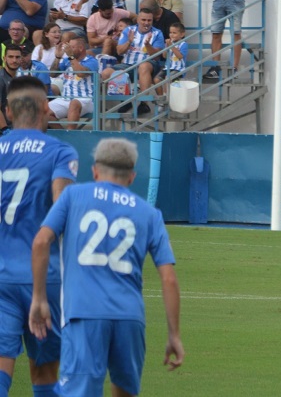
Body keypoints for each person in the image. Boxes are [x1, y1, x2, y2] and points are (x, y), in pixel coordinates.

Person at [29, 138, 183, 397]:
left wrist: (39, 297)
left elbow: (42, 241)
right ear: (132, 177)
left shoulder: (73, 196)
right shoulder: (149, 213)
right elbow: (168, 279)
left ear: (95, 170)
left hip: (84, 314)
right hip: (130, 318)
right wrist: (174, 334)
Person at [0, 75, 78, 397]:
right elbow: (63, 211)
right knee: (45, 372)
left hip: (1, 277)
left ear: (7, 111)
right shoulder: (60, 152)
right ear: (46, 108)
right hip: (44, 279)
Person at [117, 8, 165, 115]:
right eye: (143, 20)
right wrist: (129, 42)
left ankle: (144, 103)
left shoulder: (157, 33)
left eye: (149, 20)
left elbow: (157, 57)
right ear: (138, 19)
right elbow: (119, 51)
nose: (146, 23)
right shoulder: (128, 31)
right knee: (107, 73)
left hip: (150, 65)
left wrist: (148, 45)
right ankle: (126, 101)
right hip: (128, 64)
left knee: (143, 66)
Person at [48, 37, 99, 129]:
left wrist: (71, 56)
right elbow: (53, 74)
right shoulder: (67, 61)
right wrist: (58, 57)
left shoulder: (92, 61)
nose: (68, 50)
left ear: (81, 48)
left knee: (74, 103)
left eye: (72, 47)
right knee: (42, 111)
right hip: (66, 98)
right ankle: (65, 136)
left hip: (85, 99)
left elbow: (81, 73)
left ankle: (71, 132)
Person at [156, 23, 189, 97]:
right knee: (156, 79)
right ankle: (162, 97)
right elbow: (164, 56)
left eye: (174, 33)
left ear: (182, 34)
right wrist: (167, 47)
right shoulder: (168, 44)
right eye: (170, 32)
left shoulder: (183, 44)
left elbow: (180, 56)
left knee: (167, 78)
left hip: (178, 69)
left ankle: (166, 97)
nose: (171, 35)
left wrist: (171, 46)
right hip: (168, 67)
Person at [0, 45, 24, 134]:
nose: (14, 60)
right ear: (4, 58)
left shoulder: (21, 79)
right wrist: (5, 129)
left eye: (17, 57)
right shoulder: (1, 78)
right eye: (10, 57)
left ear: (21, 59)